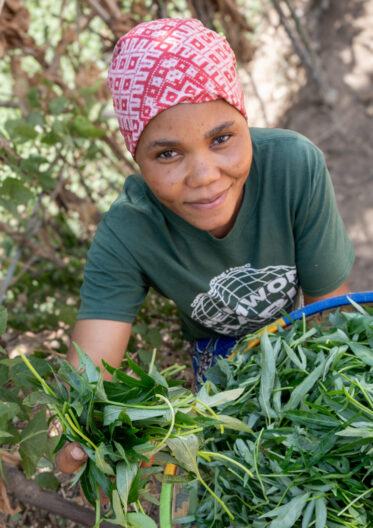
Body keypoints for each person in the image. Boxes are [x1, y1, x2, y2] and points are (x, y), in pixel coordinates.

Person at [57, 17, 354, 471]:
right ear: (134, 156)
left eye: (221, 139)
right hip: (215, 350)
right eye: (168, 153)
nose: (205, 176)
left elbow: (327, 314)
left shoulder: (294, 168)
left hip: (297, 326)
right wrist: (77, 429)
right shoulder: (128, 230)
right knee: (233, 467)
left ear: (244, 121)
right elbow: (92, 365)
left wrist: (324, 402)